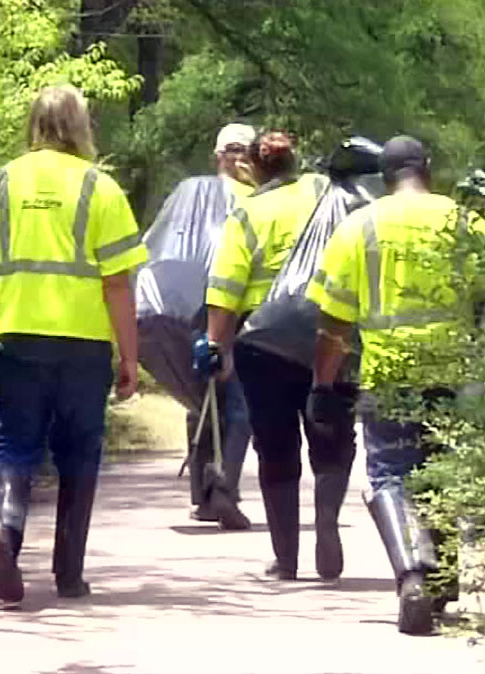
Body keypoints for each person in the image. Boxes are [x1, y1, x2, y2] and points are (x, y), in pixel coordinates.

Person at [0, 84, 147, 603]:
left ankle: (4, 529)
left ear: (33, 124)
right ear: (81, 126)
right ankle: (68, 573)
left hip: (13, 336)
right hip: (83, 343)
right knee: (80, 451)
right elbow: (117, 284)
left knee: (17, 441)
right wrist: (129, 357)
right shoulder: (100, 188)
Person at [305, 135, 485, 634]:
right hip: (453, 372)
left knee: (390, 474)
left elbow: (333, 323)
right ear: (427, 169)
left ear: (383, 177)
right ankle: (446, 581)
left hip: (389, 376)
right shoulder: (464, 223)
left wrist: (323, 385)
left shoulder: (358, 228)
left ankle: (411, 575)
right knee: (445, 471)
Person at [202, 130, 356, 582]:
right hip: (332, 325)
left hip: (263, 341)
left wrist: (215, 344)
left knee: (275, 444)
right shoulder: (324, 191)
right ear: (296, 161)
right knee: (333, 430)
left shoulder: (247, 212)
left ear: (253, 167)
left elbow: (225, 286)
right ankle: (326, 517)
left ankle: (286, 558)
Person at [183, 123, 256, 529]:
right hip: (201, 305)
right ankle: (207, 493)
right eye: (231, 148)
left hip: (245, 306)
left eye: (246, 149)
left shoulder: (261, 198)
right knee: (202, 399)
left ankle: (221, 488)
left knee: (237, 402)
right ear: (217, 155)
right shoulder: (198, 197)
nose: (238, 155)